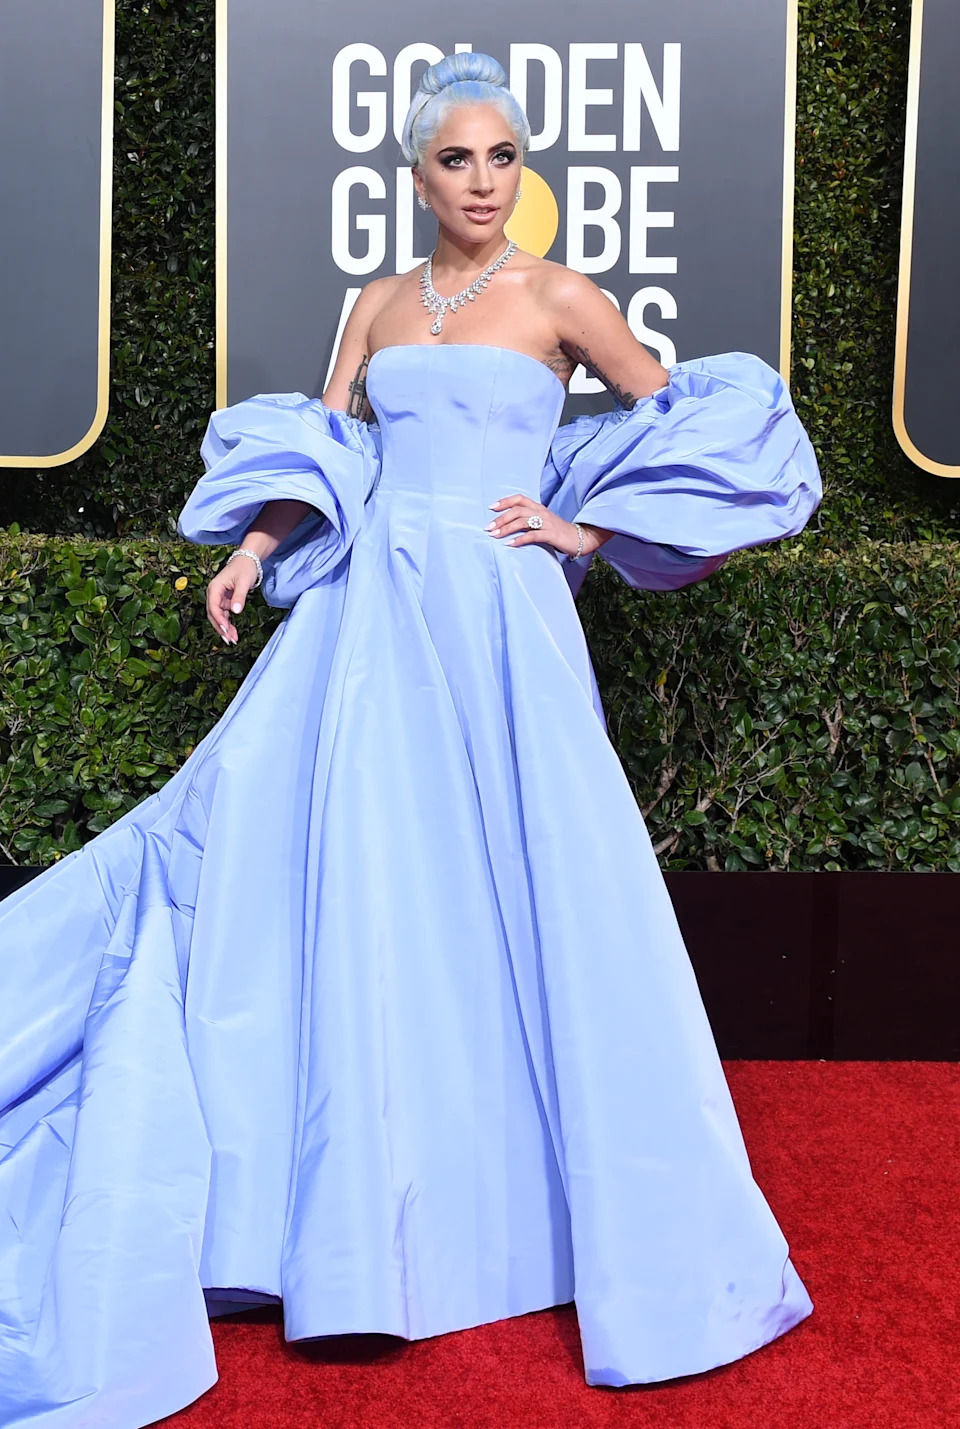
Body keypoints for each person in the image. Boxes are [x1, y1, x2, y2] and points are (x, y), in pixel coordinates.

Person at [0, 53, 821, 1428]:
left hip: (502, 625)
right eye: (458, 160)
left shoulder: (561, 296)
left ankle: (555, 1213)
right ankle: (346, 1220)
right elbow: (337, 453)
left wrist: (592, 529)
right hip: (371, 622)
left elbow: (695, 422)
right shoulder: (377, 301)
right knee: (359, 880)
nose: (485, 183)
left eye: (504, 157)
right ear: (418, 172)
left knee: (539, 882)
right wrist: (258, 549)